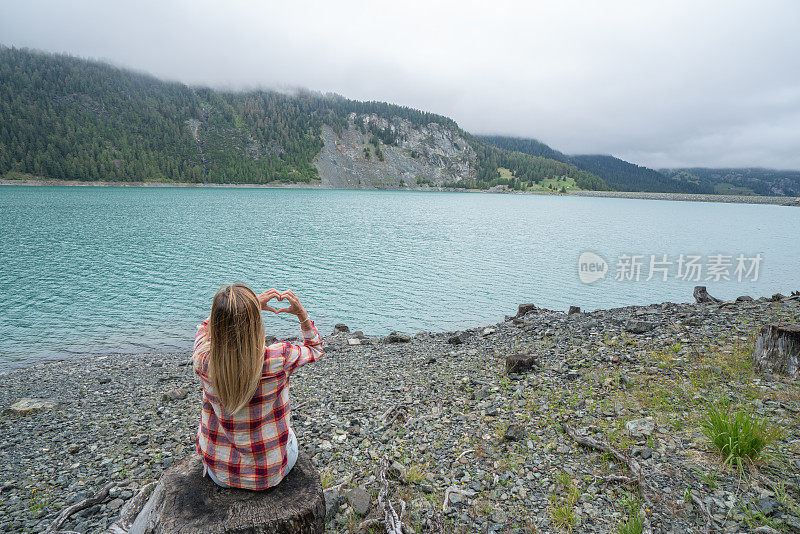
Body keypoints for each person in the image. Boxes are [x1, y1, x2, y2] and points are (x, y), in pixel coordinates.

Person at [192, 283, 323, 490]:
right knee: (290, 434)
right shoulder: (278, 357)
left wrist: (241, 310)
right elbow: (314, 348)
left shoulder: (203, 359)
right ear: (256, 323)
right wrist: (302, 315)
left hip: (219, 472)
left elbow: (203, 327)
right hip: (268, 474)